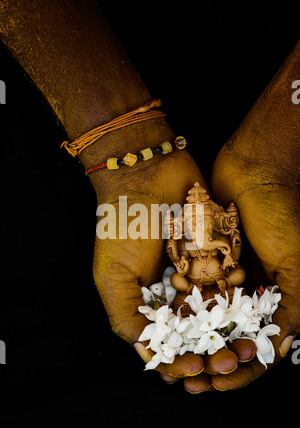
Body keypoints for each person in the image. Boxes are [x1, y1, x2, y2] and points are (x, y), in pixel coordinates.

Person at [0, 0, 299, 393]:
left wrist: (277, 155)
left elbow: (232, 261)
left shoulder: (219, 255)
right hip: (66, 97)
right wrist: (127, 160)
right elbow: (179, 262)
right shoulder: (185, 258)